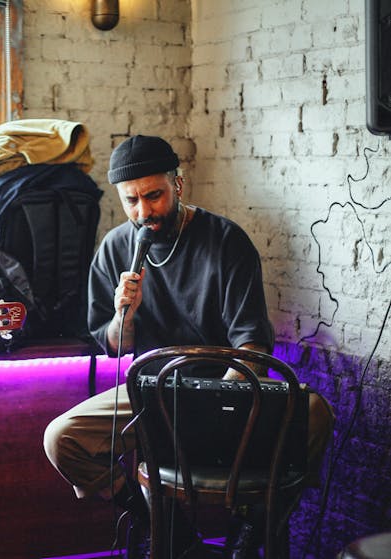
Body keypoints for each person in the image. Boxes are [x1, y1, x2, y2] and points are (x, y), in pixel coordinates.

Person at [43, 135, 334, 556]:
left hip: (226, 387)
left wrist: (221, 405)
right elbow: (114, 346)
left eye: (154, 196)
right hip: (153, 391)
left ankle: (253, 526)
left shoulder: (226, 241)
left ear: (179, 185)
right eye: (132, 201)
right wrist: (125, 312)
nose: (144, 212)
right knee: (61, 438)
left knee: (316, 414)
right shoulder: (114, 249)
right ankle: (159, 522)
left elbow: (251, 343)